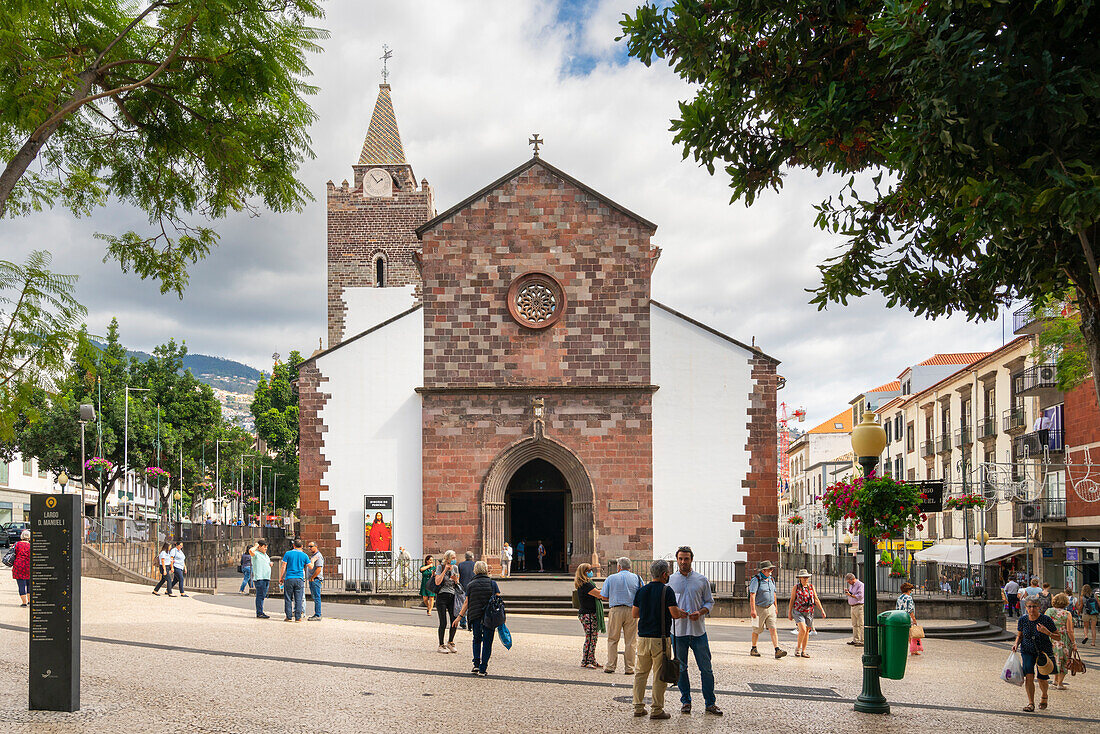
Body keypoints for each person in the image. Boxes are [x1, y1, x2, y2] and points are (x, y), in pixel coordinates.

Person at [668, 546, 722, 716]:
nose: (683, 562)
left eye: (686, 559)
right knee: (681, 669)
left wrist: (701, 612)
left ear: (692, 560)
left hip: (698, 631)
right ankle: (686, 701)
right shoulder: (670, 580)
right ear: (677, 560)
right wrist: (676, 612)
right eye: (680, 559)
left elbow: (709, 602)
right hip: (678, 631)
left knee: (706, 669)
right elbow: (667, 604)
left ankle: (710, 703)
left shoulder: (701, 580)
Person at [632, 559, 686, 720]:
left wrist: (649, 612)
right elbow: (675, 614)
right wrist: (680, 612)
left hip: (642, 637)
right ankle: (656, 709)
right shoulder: (666, 591)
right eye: (668, 572)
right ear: (664, 574)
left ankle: (638, 707)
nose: (668, 575)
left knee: (640, 673)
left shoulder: (642, 591)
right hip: (660, 639)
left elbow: (635, 613)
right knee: (659, 675)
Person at [453, 560, 501, 676]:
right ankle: (483, 668)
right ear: (485, 570)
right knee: (487, 642)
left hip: (475, 616)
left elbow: (466, 603)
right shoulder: (492, 583)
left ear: (475, 570)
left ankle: (476, 664)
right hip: (489, 617)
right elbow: (498, 600)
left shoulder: (471, 584)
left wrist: (459, 617)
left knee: (477, 639)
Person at [1013, 599, 1060, 712]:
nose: (1031, 609)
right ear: (1025, 607)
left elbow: (1058, 637)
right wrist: (1015, 644)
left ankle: (1044, 695)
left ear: (1039, 607)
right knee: (1029, 676)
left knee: (1041, 677)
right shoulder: (1023, 620)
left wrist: (1047, 632)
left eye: (1034, 606)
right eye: (1029, 606)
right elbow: (1020, 635)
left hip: (1043, 651)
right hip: (1027, 650)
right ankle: (1031, 703)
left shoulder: (1046, 620)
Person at [600, 557, 642, 675]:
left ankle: (611, 665)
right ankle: (629, 667)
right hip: (632, 610)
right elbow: (642, 593)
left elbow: (604, 595)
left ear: (619, 567)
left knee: (613, 639)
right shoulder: (637, 578)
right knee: (631, 640)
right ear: (630, 567)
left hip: (616, 610)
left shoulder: (611, 578)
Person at [748, 560, 787, 658]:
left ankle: (777, 650)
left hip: (770, 607)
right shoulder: (756, 580)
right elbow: (752, 595)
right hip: (759, 608)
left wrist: (775, 607)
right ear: (764, 570)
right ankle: (753, 648)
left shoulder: (771, 580)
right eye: (770, 569)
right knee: (757, 629)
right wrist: (753, 610)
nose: (771, 571)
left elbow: (773, 593)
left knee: (773, 628)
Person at [787, 569, 826, 658]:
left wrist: (822, 610)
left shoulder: (811, 587)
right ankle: (798, 648)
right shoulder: (796, 587)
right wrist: (789, 612)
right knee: (803, 629)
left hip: (809, 612)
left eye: (807, 577)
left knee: (807, 632)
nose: (806, 579)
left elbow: (816, 599)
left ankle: (803, 651)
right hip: (798, 611)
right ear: (800, 578)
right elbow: (792, 600)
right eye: (804, 577)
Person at [575, 562, 603, 668]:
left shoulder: (587, 583)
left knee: (593, 637)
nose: (591, 572)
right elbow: (599, 594)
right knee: (590, 638)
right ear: (584, 572)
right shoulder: (586, 584)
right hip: (588, 614)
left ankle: (592, 659)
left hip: (590, 613)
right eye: (589, 570)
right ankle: (586, 661)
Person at [433, 550, 461, 653]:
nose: (454, 559)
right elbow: (437, 582)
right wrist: (445, 570)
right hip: (442, 596)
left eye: (455, 558)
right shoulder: (440, 567)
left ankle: (450, 642)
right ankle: (441, 644)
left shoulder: (456, 568)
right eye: (453, 558)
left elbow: (458, 582)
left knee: (454, 620)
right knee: (443, 622)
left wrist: (455, 580)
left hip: (452, 595)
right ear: (447, 558)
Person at [1047, 593, 1076, 690]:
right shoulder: (1067, 614)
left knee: (1055, 660)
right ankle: (1060, 683)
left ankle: (1055, 681)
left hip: (1051, 639)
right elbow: (1069, 630)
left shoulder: (1049, 611)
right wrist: (1074, 642)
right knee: (1063, 661)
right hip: (1063, 640)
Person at [279, 538, 310, 622]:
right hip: (299, 578)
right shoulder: (304, 555)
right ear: (302, 546)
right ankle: (298, 617)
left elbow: (283, 566)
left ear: (293, 545)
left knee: (288, 598)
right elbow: (310, 566)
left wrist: (281, 577)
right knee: (298, 598)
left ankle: (288, 617)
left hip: (289, 578)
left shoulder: (288, 553)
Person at [897, 582, 921, 656]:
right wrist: (914, 620)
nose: (911, 592)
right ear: (908, 590)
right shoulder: (909, 598)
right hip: (907, 618)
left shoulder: (899, 598)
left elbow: (897, 608)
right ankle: (913, 650)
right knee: (911, 635)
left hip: (900, 617)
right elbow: (910, 610)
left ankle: (907, 649)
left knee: (904, 634)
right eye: (911, 590)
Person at [249, 539, 272, 618]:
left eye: (266, 547)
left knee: (263, 595)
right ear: (259, 547)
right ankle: (259, 612)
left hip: (266, 577)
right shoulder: (256, 554)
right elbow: (250, 551)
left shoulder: (266, 555)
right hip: (260, 578)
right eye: (264, 547)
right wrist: (255, 546)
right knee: (260, 595)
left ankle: (261, 611)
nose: (266, 549)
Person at [11, 529, 30, 607]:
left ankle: (24, 603)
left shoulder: (16, 544)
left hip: (18, 566)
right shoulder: (31, 545)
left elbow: (12, 553)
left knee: (21, 585)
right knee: (29, 585)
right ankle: (30, 601)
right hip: (29, 566)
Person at [844, 572, 864, 646]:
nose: (848, 583)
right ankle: (856, 639)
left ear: (852, 579)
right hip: (852, 606)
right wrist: (848, 591)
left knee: (861, 624)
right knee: (854, 624)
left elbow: (860, 596)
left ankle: (863, 640)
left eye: (849, 581)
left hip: (859, 606)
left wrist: (851, 595)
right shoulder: (852, 585)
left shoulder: (860, 585)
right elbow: (852, 593)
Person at [306, 541, 324, 621]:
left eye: (311, 546)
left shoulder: (318, 556)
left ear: (316, 546)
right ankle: (317, 614)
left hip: (316, 580)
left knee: (317, 597)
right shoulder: (314, 556)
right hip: (314, 579)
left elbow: (319, 569)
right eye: (309, 546)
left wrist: (313, 577)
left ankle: (317, 615)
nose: (309, 548)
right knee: (315, 597)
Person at [457, 551, 476, 629]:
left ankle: (462, 621)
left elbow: (458, 576)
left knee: (463, 604)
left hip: (463, 586)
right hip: (473, 587)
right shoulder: (475, 564)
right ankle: (470, 623)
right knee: (471, 606)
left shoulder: (460, 565)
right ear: (472, 557)